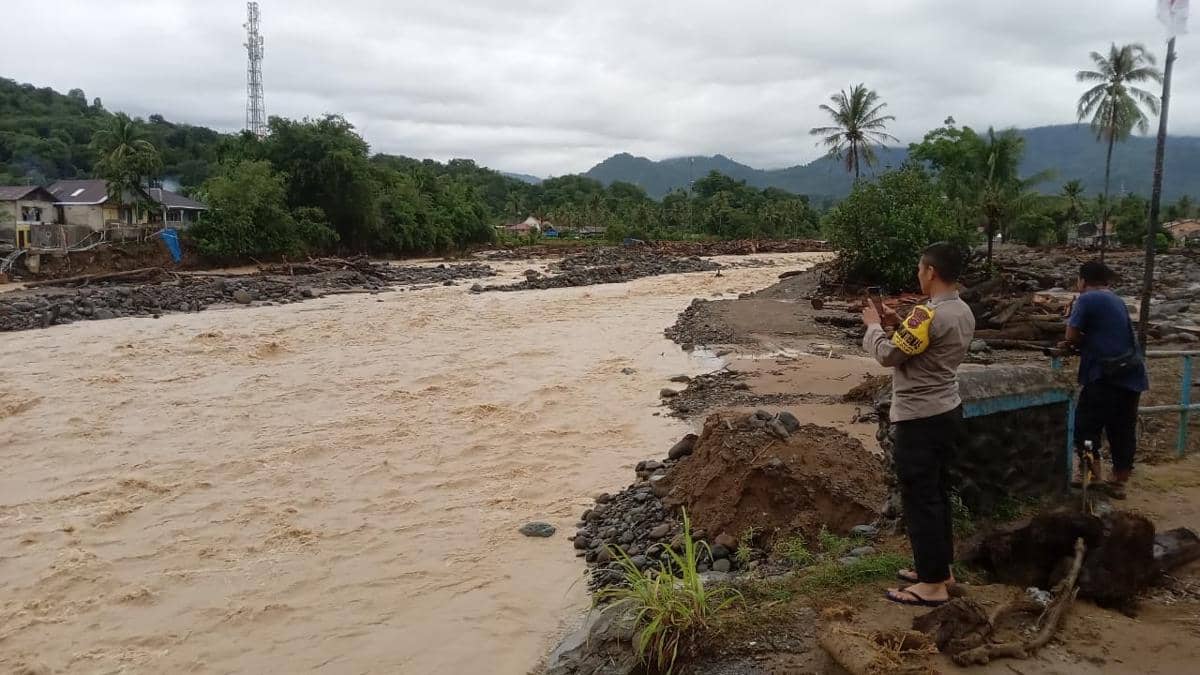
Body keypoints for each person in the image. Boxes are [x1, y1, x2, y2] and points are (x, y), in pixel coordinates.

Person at [861, 242, 975, 607]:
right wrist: (898, 322)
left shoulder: (926, 314)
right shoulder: (962, 310)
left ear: (931, 272)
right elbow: (923, 346)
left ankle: (931, 585)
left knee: (920, 499)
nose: (918, 274)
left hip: (919, 417)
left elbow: (888, 355)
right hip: (948, 410)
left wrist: (874, 326)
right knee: (937, 494)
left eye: (920, 268)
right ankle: (940, 569)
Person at [1062, 261, 1149, 499]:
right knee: (1122, 430)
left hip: (1104, 375)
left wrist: (1075, 342)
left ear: (1082, 280)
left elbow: (1071, 335)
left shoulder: (1087, 299)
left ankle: (1090, 474)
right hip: (1131, 374)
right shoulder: (1116, 299)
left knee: (1086, 427)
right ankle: (1119, 481)